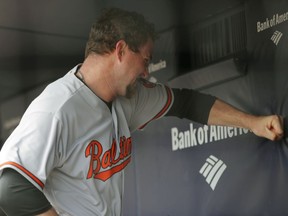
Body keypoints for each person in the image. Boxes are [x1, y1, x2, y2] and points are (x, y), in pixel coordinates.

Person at [0, 7, 283, 216]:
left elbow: (186, 103)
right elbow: (11, 189)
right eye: (145, 60)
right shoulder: (57, 108)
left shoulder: (129, 99)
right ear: (121, 50)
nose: (147, 71)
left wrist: (253, 122)